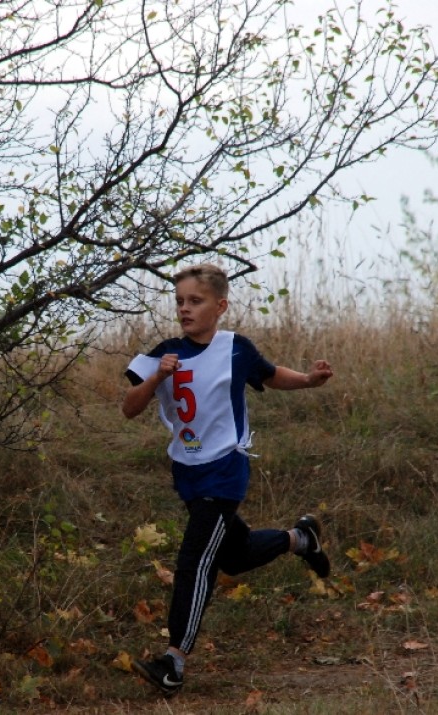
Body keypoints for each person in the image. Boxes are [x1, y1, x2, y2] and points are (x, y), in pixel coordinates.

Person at [121, 263, 334, 696]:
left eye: (195, 301)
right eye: (180, 301)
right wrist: (158, 376)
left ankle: (174, 661)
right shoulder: (163, 353)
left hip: (225, 469)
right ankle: (300, 538)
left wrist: (309, 380)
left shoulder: (236, 348)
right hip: (187, 472)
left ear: (220, 306)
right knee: (234, 555)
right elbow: (129, 407)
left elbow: (271, 375)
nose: (184, 308)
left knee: (195, 560)